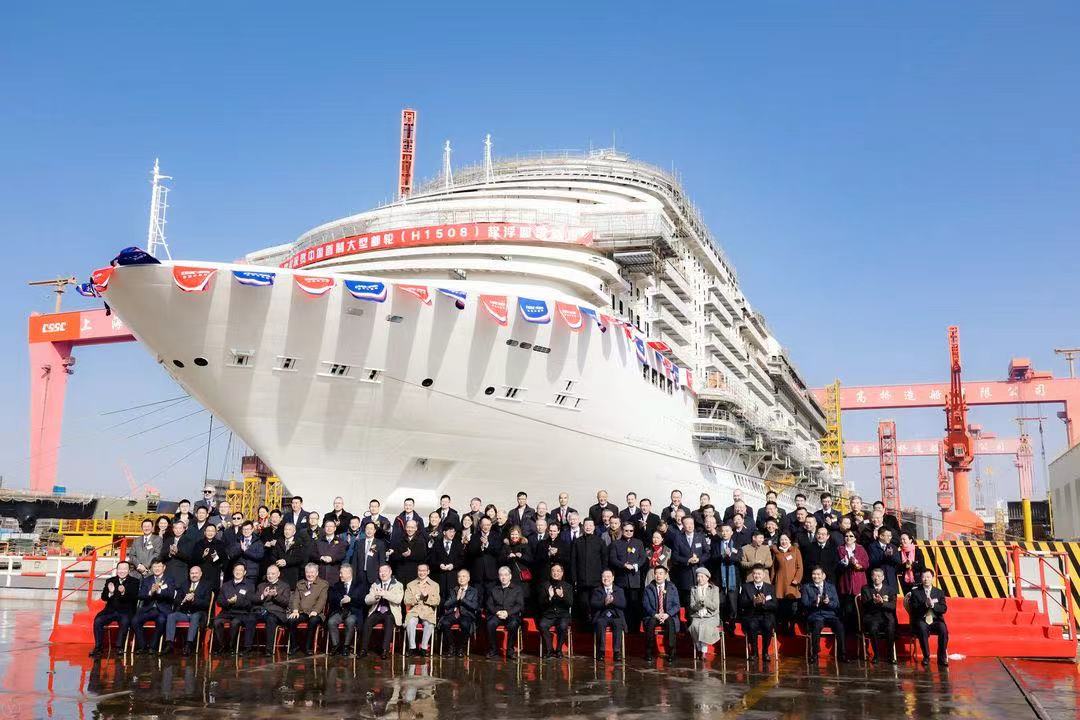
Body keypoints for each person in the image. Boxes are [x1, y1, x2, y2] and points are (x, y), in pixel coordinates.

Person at [90, 561, 139, 657]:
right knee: (98, 620)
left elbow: (133, 598)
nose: (122, 571)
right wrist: (111, 593)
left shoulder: (135, 581)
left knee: (125, 621)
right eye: (120, 569)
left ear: (129, 570)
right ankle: (98, 647)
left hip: (126, 610)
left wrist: (123, 592)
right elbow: (104, 597)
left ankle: (119, 647)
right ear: (117, 570)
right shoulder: (110, 581)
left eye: (124, 569)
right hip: (110, 610)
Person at [800, 566, 847, 662]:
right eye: (814, 574)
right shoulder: (807, 587)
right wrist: (815, 603)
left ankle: (842, 654)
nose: (816, 576)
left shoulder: (831, 587)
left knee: (840, 626)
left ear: (823, 576)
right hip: (815, 615)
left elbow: (837, 604)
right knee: (817, 626)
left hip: (829, 614)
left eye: (818, 574)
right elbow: (804, 603)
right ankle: (815, 654)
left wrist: (828, 602)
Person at [164, 565, 213, 656]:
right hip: (185, 613)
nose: (194, 575)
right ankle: (169, 644)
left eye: (196, 573)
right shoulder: (184, 584)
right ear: (189, 574)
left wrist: (194, 599)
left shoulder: (206, 585)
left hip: (199, 613)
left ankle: (189, 645)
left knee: (195, 616)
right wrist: (184, 600)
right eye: (192, 573)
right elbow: (176, 600)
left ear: (201, 574)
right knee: (171, 616)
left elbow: (206, 603)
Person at [132, 559, 176, 654]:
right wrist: (150, 592)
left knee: (161, 621)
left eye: (159, 566)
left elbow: (171, 595)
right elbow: (140, 595)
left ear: (164, 567)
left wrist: (159, 591)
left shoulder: (169, 579)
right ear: (151, 568)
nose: (157, 568)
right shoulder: (147, 580)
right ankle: (142, 646)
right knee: (135, 620)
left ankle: (153, 647)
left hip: (162, 610)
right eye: (154, 567)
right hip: (148, 609)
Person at [360, 564, 404, 658]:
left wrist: (385, 594)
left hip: (391, 611)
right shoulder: (375, 584)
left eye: (385, 571)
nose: (383, 574)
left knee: (389, 621)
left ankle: (385, 650)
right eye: (381, 572)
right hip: (377, 611)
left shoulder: (398, 584)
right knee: (368, 621)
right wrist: (375, 597)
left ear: (390, 572)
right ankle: (363, 649)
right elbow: (367, 600)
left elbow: (398, 599)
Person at [907, 568, 949, 667]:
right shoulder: (915, 592)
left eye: (928, 577)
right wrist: (925, 605)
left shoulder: (939, 592)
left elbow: (943, 608)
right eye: (924, 577)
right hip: (921, 619)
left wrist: (933, 605)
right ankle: (926, 656)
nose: (926, 579)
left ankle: (942, 657)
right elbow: (913, 609)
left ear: (932, 578)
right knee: (922, 628)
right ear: (921, 578)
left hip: (935, 620)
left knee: (943, 629)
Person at [212, 563, 256, 655]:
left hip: (241, 613)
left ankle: (231, 647)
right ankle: (221, 646)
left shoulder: (250, 585)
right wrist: (228, 602)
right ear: (233, 571)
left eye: (240, 570)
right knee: (216, 622)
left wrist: (236, 601)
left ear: (244, 572)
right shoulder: (225, 585)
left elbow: (249, 603)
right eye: (236, 570)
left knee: (235, 623)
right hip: (226, 612)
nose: (238, 572)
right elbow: (219, 601)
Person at [610, 521, 646, 634]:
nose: (629, 532)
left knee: (634, 605)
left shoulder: (638, 543)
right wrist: (623, 565)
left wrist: (635, 566)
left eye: (631, 530)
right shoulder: (616, 544)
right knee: (622, 605)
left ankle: (634, 630)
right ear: (622, 530)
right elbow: (613, 559)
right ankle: (623, 629)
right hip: (621, 581)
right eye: (626, 530)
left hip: (635, 580)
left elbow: (643, 558)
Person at [286, 563, 329, 655]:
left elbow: (322, 600)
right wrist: (295, 610)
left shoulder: (323, 584)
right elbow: (296, 598)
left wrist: (315, 611)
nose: (310, 574)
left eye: (312, 572)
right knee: (291, 620)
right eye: (307, 572)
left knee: (313, 621)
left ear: (317, 573)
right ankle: (294, 646)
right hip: (302, 612)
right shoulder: (300, 583)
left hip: (316, 613)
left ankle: (308, 647)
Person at [740, 564, 778, 663]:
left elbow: (775, 605)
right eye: (755, 574)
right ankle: (754, 652)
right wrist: (753, 602)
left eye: (759, 574)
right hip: (752, 615)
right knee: (752, 626)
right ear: (752, 574)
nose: (757, 576)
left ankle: (765, 652)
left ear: (764, 575)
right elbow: (741, 603)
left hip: (766, 615)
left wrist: (764, 603)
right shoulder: (746, 587)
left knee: (768, 625)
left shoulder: (770, 587)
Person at [571, 518, 606, 624]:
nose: (588, 527)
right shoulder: (577, 542)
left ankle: (595, 626)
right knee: (583, 605)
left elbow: (604, 561)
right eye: (586, 525)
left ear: (594, 527)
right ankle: (584, 627)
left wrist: (603, 577)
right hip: (581, 581)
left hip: (596, 581)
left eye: (591, 525)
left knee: (595, 604)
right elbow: (573, 561)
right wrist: (574, 578)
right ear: (583, 527)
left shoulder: (600, 541)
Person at [642, 565, 680, 662]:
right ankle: (649, 651)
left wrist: (667, 614)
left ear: (666, 575)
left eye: (661, 573)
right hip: (654, 615)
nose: (658, 576)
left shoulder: (672, 587)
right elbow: (646, 605)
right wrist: (655, 614)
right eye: (656, 573)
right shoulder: (648, 588)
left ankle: (672, 652)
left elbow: (677, 605)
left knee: (671, 623)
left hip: (668, 615)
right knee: (651, 623)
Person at [439, 569, 481, 656]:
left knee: (465, 624)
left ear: (468, 578)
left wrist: (463, 599)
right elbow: (446, 604)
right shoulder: (453, 590)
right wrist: (456, 599)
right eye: (459, 577)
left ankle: (460, 647)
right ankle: (451, 646)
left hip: (466, 614)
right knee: (445, 623)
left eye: (464, 576)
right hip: (453, 613)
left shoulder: (473, 591)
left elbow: (475, 606)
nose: (461, 578)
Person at [485, 566, 525, 659]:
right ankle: (494, 650)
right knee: (490, 623)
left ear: (510, 576)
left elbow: (519, 605)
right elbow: (489, 604)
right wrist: (497, 612)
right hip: (497, 614)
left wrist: (507, 613)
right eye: (501, 575)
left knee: (513, 624)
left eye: (506, 575)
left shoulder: (517, 589)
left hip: (512, 615)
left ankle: (510, 651)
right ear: (499, 577)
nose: (504, 577)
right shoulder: (494, 589)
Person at [859, 567, 897, 664]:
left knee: (890, 628)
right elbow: (864, 605)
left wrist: (882, 603)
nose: (877, 578)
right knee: (873, 628)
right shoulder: (865, 588)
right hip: (872, 617)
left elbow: (892, 606)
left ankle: (891, 655)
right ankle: (876, 655)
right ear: (871, 577)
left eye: (879, 576)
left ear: (883, 577)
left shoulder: (890, 589)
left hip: (886, 617)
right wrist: (874, 601)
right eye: (874, 576)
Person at [326, 564, 365, 655]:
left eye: (341, 573)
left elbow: (362, 601)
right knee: (331, 622)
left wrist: (350, 600)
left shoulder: (359, 585)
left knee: (350, 621)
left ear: (349, 574)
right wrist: (340, 601)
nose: (340, 575)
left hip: (353, 612)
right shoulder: (337, 585)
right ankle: (336, 645)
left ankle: (346, 646)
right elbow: (332, 598)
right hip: (340, 611)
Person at [402, 563, 440, 656]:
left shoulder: (434, 585)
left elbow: (437, 601)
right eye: (420, 570)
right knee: (410, 622)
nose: (422, 573)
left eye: (424, 571)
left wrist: (427, 597)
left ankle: (424, 648)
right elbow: (406, 600)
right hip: (414, 611)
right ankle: (412, 648)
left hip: (427, 611)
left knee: (429, 624)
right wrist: (416, 598)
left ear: (428, 572)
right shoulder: (410, 584)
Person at [253, 563, 291, 655]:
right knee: (249, 618)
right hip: (261, 611)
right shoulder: (261, 585)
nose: (270, 576)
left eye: (273, 574)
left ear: (278, 574)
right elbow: (254, 600)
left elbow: (286, 602)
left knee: (271, 619)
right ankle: (247, 647)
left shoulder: (284, 586)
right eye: (268, 574)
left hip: (276, 613)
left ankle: (269, 650)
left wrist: (276, 595)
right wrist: (263, 595)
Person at [671, 515, 709, 606]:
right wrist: (687, 560)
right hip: (685, 574)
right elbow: (674, 556)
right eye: (687, 524)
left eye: (691, 523)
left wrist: (699, 559)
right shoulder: (678, 538)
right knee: (688, 602)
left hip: (699, 572)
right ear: (683, 526)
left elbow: (707, 553)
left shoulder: (700, 536)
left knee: (701, 600)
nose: (690, 526)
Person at [537, 563, 573, 657]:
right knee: (542, 625)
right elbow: (540, 603)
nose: (555, 573)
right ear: (550, 573)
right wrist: (549, 597)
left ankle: (559, 650)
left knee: (563, 626)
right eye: (553, 571)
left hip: (562, 615)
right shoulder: (544, 585)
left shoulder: (568, 586)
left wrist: (562, 596)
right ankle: (549, 650)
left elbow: (570, 603)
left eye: (558, 571)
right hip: (549, 615)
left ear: (562, 573)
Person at [707, 524, 740, 626]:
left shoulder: (736, 544)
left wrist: (729, 555)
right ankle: (721, 623)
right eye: (723, 531)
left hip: (733, 578)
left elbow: (738, 558)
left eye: (727, 531)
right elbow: (712, 558)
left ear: (731, 532)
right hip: (719, 577)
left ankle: (732, 625)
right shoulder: (716, 544)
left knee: (733, 603)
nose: (725, 533)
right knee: (720, 602)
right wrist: (722, 555)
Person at [590, 569, 626, 661]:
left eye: (608, 576)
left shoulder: (619, 590)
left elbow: (623, 604)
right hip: (602, 615)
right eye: (604, 577)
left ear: (613, 578)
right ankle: (601, 651)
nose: (606, 578)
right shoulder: (597, 590)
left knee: (618, 623)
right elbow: (593, 604)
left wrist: (613, 601)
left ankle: (617, 652)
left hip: (615, 616)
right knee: (600, 623)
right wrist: (604, 602)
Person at [770, 533, 803, 633]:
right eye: (782, 540)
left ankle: (791, 627)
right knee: (782, 607)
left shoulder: (795, 550)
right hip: (780, 582)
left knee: (792, 607)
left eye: (785, 539)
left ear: (789, 540)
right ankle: (783, 627)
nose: (784, 542)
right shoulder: (777, 552)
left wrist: (797, 579)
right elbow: (773, 569)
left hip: (792, 583)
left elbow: (800, 567)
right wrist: (772, 581)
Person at [837, 528, 870, 625]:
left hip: (859, 579)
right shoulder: (840, 549)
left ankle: (859, 628)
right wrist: (844, 563)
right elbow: (837, 564)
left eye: (851, 536)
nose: (848, 538)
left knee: (859, 607)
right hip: (845, 580)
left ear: (855, 538)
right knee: (847, 607)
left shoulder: (861, 548)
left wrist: (859, 564)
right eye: (846, 536)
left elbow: (866, 563)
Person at [687, 567, 722, 656]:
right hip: (698, 616)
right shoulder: (693, 589)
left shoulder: (714, 589)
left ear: (707, 578)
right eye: (698, 576)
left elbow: (715, 606)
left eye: (702, 576)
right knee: (694, 626)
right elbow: (692, 606)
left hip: (711, 616)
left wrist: (705, 600)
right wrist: (699, 604)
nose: (700, 579)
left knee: (705, 626)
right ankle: (699, 646)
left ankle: (704, 651)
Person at [269, 522, 308, 588]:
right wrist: (277, 562)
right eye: (285, 529)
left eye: (289, 530)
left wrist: (286, 561)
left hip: (292, 574)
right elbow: (273, 555)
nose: (287, 532)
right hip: (279, 573)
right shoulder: (279, 541)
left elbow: (300, 558)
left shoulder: (299, 542)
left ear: (294, 532)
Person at [432, 522, 464, 601]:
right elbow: (432, 559)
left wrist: (453, 565)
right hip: (440, 577)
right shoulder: (437, 543)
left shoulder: (458, 544)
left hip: (453, 578)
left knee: (452, 599)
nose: (452, 534)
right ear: (444, 532)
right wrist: (439, 565)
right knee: (440, 600)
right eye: (450, 531)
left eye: (454, 532)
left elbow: (462, 559)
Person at [190, 522, 227, 589]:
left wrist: (215, 557)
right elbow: (193, 560)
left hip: (214, 575)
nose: (210, 533)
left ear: (216, 532)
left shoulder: (220, 544)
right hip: (201, 575)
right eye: (208, 531)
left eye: (212, 531)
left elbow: (224, 561)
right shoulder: (199, 544)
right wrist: (203, 555)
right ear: (204, 532)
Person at [390, 519, 426, 586]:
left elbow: (423, 556)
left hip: (414, 573)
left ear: (416, 528)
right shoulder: (399, 539)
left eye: (412, 527)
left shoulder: (421, 541)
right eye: (408, 527)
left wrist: (410, 554)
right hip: (400, 573)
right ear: (405, 528)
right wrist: (402, 555)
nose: (410, 529)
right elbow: (393, 556)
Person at [163, 519, 195, 588]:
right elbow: (162, 556)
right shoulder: (168, 540)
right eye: (176, 528)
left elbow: (190, 558)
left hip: (181, 573)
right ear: (173, 529)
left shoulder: (189, 541)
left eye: (180, 528)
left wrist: (177, 553)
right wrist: (169, 554)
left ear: (184, 529)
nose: (178, 530)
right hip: (168, 571)